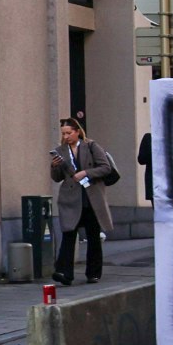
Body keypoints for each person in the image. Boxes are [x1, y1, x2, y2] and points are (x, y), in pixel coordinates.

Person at [50, 116, 116, 285]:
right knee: (68, 234)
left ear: (77, 132)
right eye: (63, 133)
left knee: (93, 235)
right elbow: (57, 178)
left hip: (91, 198)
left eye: (69, 133)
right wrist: (55, 166)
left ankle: (93, 273)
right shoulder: (61, 150)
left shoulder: (91, 146)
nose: (66, 137)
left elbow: (105, 167)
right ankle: (64, 272)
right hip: (70, 199)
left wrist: (86, 173)